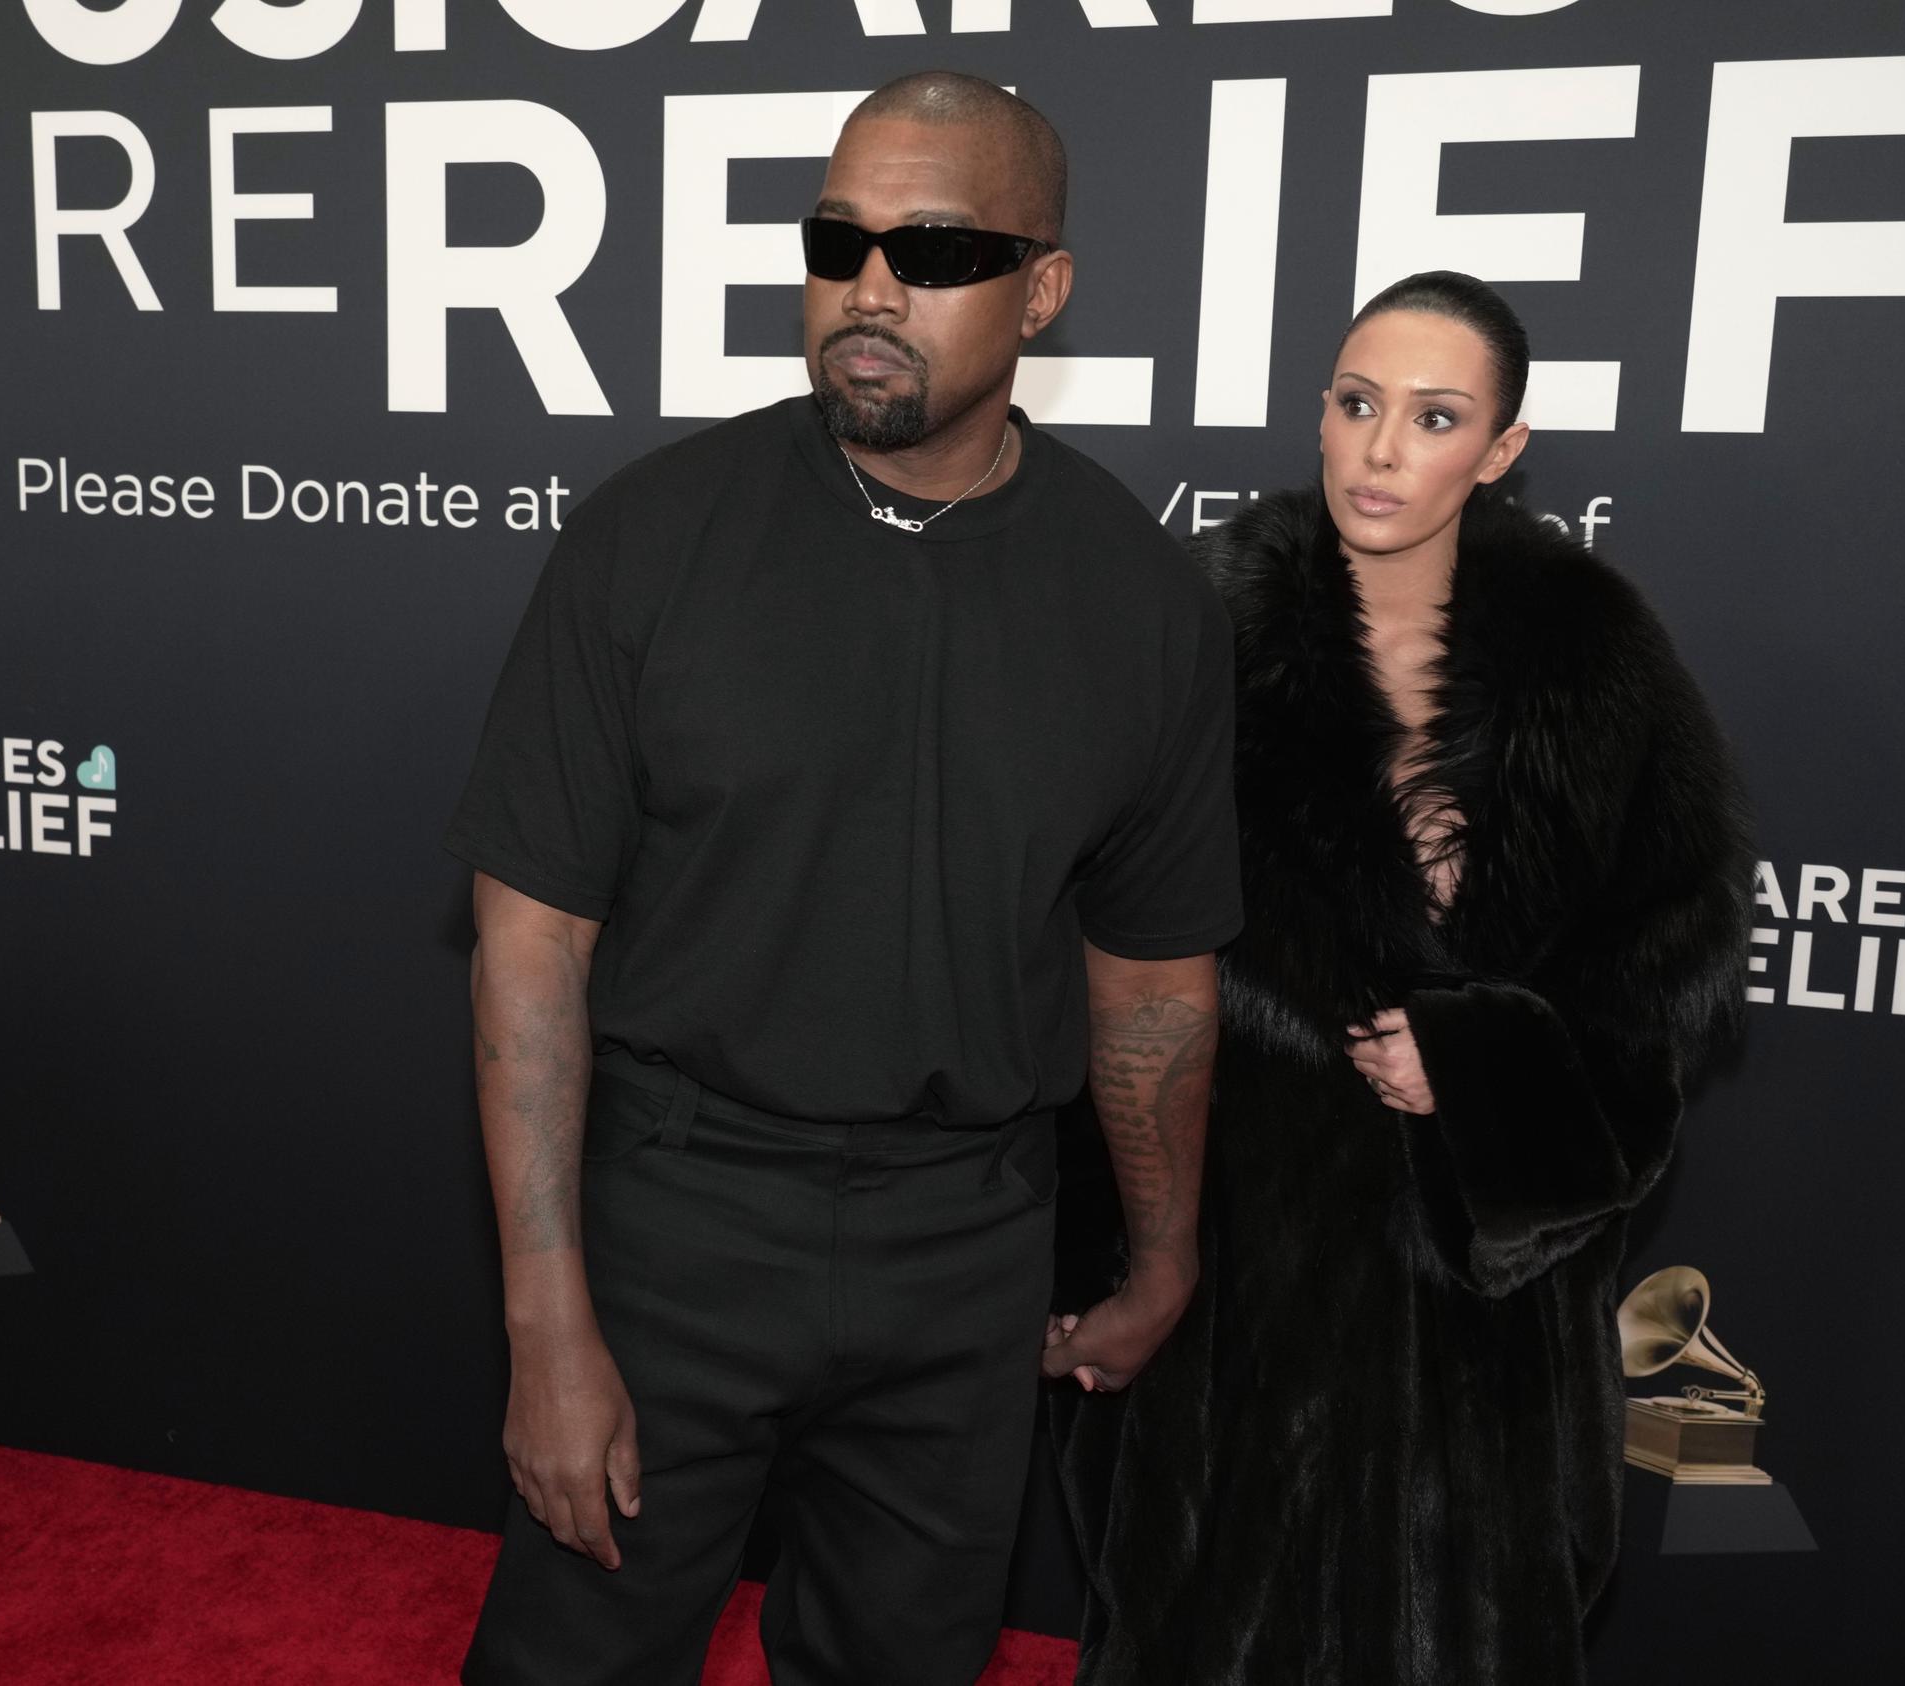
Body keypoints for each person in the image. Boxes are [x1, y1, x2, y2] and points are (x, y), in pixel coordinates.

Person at [446, 71, 1242, 1686]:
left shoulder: (1142, 600)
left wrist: (1161, 1255)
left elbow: (1152, 975)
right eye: (840, 238)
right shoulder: (649, 540)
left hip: (970, 1252)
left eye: (937, 249)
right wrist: (547, 1323)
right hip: (677, 1217)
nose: (872, 286)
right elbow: (528, 946)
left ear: (1046, 291)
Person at [1052, 271, 1753, 1684]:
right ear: (1319, 410)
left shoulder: (1596, 658)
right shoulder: (1200, 635)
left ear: (1500, 447)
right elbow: (1094, 926)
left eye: (1434, 417)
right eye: (1358, 403)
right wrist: (1119, 1250)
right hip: (1244, 1265)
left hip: (1477, 1313)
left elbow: (1674, 959)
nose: (1381, 450)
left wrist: (1487, 1060)